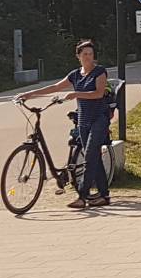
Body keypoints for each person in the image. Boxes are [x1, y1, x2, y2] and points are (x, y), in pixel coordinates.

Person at [15, 39, 111, 209]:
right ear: (78, 56)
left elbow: (98, 93)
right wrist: (29, 94)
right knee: (93, 157)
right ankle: (104, 195)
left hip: (99, 119)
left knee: (89, 156)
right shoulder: (75, 74)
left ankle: (82, 196)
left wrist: (76, 94)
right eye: (84, 54)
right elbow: (55, 87)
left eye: (90, 54)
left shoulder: (100, 72)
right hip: (84, 120)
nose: (88, 57)